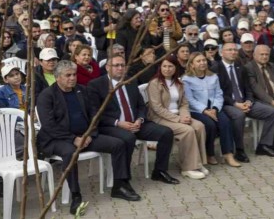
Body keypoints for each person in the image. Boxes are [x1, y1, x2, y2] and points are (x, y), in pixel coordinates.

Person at [37, 60, 136, 211]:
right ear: (57, 77)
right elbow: (49, 126)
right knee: (70, 153)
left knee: (118, 144)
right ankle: (76, 195)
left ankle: (119, 185)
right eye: (68, 75)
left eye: (74, 74)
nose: (72, 78)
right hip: (57, 139)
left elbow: (94, 115)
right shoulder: (47, 95)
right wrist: (73, 139)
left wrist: (90, 133)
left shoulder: (82, 90)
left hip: (85, 136)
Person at [87, 54, 180, 185]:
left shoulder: (130, 81)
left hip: (136, 123)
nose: (120, 68)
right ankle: (124, 180)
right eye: (116, 65)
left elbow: (141, 105)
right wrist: (118, 123)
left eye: (122, 65)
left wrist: (140, 119)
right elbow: (95, 113)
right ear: (107, 67)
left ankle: (160, 171)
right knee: (128, 138)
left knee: (166, 133)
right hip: (112, 126)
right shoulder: (96, 85)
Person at [213, 43, 274, 160]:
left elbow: (248, 88)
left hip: (245, 102)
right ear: (221, 53)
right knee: (239, 115)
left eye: (235, 50)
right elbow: (218, 93)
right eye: (229, 50)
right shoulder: (215, 68)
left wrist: (249, 101)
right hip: (228, 104)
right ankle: (239, 150)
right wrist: (236, 104)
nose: (233, 52)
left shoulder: (240, 67)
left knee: (272, 112)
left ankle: (264, 145)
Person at [147, 56, 208, 180]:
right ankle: (188, 168)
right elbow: (157, 108)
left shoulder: (179, 83)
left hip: (178, 115)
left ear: (175, 68)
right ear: (160, 67)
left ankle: (197, 163)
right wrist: (179, 120)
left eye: (170, 66)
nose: (167, 69)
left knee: (199, 126)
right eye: (164, 66)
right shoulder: (154, 83)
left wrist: (185, 116)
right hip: (160, 117)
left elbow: (184, 103)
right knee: (187, 130)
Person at [182, 52, 239, 167]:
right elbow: (189, 100)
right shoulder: (187, 79)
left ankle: (228, 154)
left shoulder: (213, 76)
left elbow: (219, 94)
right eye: (198, 61)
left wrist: (214, 108)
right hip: (197, 110)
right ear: (192, 65)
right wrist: (204, 110)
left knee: (225, 122)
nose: (202, 63)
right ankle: (209, 153)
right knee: (209, 124)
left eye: (204, 60)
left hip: (214, 108)